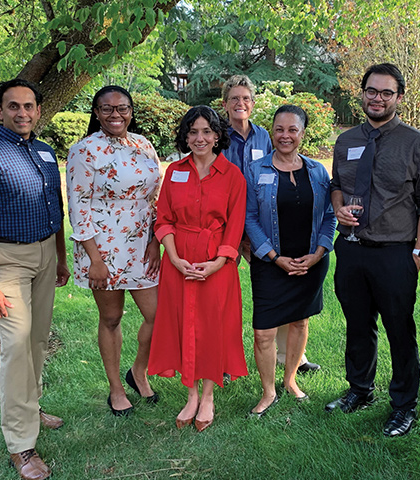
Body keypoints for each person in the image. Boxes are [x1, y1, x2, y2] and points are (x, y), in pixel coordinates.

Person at [0, 79, 70, 480]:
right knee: (17, 344)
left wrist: (59, 255)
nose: (23, 113)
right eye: (14, 107)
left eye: (29, 106)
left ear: (39, 110)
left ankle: (31, 403)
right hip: (7, 261)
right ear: (0, 112)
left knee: (38, 337)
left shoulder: (42, 150)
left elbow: (54, 205)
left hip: (44, 254)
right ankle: (22, 445)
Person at [327, 63, 420, 437]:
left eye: (386, 93)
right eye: (371, 91)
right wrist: (338, 206)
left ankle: (404, 405)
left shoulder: (418, 144)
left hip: (396, 253)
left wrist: (419, 253)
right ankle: (360, 391)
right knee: (358, 326)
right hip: (351, 250)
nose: (377, 99)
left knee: (399, 329)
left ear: (399, 98)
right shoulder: (346, 141)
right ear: (362, 93)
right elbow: (336, 184)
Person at [147, 106, 248, 432]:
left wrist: (217, 263)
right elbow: (163, 219)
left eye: (206, 131)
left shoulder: (233, 176)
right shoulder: (175, 172)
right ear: (185, 136)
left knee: (212, 327)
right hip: (179, 261)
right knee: (182, 325)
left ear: (217, 135)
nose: (200, 138)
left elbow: (235, 227)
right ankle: (189, 393)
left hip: (217, 264)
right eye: (193, 132)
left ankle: (207, 396)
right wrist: (174, 259)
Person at [66, 86, 162, 416]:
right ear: (96, 113)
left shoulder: (143, 144)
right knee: (111, 318)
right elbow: (77, 207)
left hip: (141, 243)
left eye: (122, 108)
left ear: (131, 111)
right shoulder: (84, 150)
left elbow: (154, 198)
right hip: (102, 247)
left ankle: (138, 371)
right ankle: (116, 388)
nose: (115, 115)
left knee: (158, 315)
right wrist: (94, 259)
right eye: (107, 109)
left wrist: (154, 239)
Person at [221, 74, 321, 373]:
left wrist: (255, 235)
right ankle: (224, 358)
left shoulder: (265, 135)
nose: (241, 103)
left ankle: (289, 356)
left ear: (252, 103)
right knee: (226, 294)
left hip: (260, 224)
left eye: (246, 98)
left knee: (278, 287)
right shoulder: (218, 136)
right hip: (225, 223)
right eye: (235, 98)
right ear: (225, 104)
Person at [245, 105, 335, 416]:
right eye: (279, 129)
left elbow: (330, 215)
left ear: (302, 134)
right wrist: (273, 256)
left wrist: (319, 253)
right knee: (264, 332)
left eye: (292, 130)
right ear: (271, 131)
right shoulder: (256, 171)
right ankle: (268, 391)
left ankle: (291, 380)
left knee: (299, 321)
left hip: (310, 262)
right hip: (271, 263)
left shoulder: (317, 171)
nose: (285, 135)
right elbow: (250, 218)